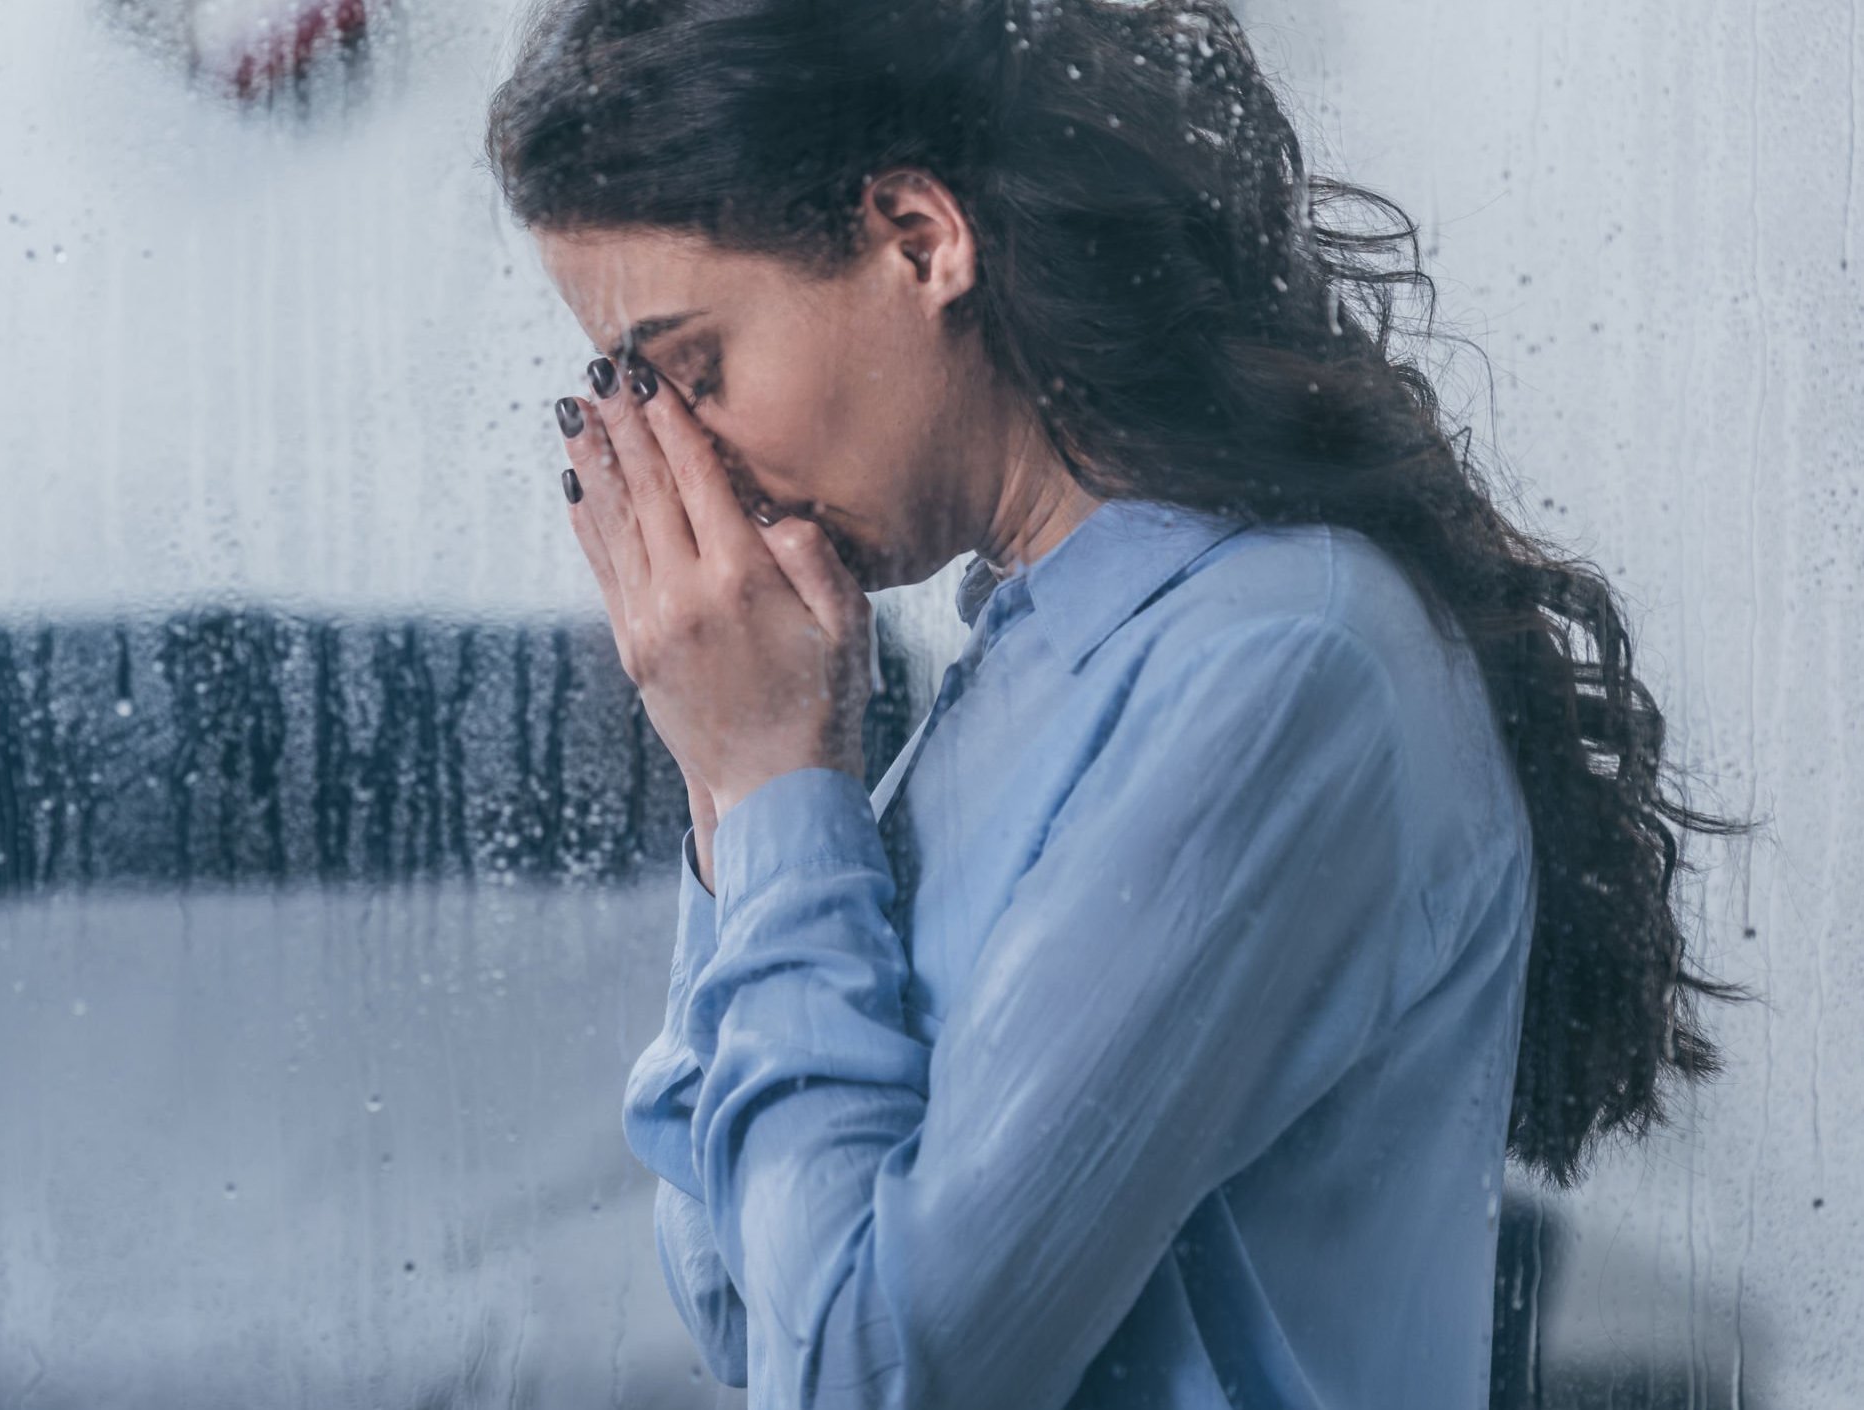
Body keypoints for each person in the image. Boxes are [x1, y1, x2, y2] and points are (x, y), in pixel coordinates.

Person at [481, 1, 1748, 1406]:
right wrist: (732, 792)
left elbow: (865, 1373)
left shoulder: (1284, 668)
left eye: (697, 374)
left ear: (919, 238)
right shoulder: (1022, 661)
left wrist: (778, 781)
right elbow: (743, 1302)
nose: (684, 464)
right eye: (636, 397)